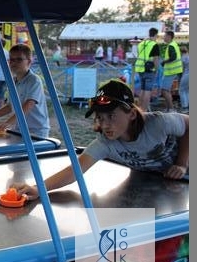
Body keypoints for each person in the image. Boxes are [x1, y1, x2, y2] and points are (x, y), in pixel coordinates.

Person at [12, 79, 189, 201]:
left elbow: (189, 124)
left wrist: (181, 163)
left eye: (111, 116)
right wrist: (38, 188)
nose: (105, 125)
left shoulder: (158, 123)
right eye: (100, 117)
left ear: (132, 114)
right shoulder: (106, 142)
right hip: (159, 185)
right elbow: (75, 170)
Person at [0, 44, 50, 138]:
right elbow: (10, 106)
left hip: (36, 131)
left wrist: (8, 122)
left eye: (19, 59)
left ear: (29, 61)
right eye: (12, 60)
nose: (14, 63)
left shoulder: (34, 80)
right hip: (19, 129)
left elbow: (29, 104)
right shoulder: (13, 81)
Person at [133, 27, 160, 111]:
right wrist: (157, 69)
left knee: (142, 89)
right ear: (156, 35)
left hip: (140, 68)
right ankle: (144, 111)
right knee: (148, 90)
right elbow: (156, 59)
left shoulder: (141, 43)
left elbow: (139, 55)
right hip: (149, 69)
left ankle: (139, 108)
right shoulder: (154, 44)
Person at [159, 31, 183, 112]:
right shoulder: (173, 44)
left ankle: (171, 109)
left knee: (164, 90)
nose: (164, 38)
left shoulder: (171, 46)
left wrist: (164, 62)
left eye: (165, 36)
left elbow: (173, 57)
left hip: (171, 71)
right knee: (166, 90)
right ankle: (169, 108)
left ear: (169, 36)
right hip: (172, 71)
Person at [178, 45, 189, 113]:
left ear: (180, 51)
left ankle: (185, 107)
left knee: (181, 90)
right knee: (187, 90)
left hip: (187, 74)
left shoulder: (183, 58)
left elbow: (181, 69)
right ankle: (188, 105)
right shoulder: (189, 56)